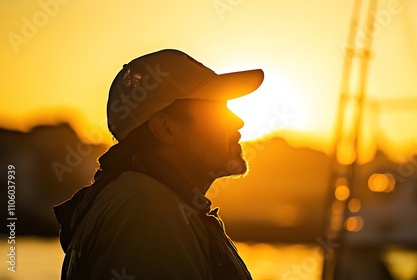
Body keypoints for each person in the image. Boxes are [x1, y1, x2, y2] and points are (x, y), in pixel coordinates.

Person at [53, 49, 264, 279]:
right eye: (216, 108)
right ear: (165, 128)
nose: (238, 121)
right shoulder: (148, 212)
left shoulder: (151, 203)